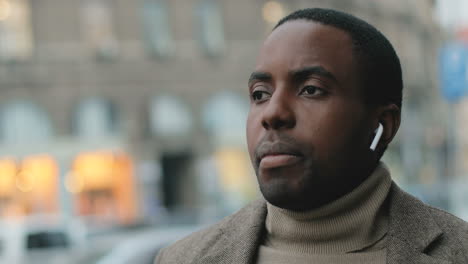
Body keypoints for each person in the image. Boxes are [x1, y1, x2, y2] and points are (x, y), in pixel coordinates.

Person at [155, 8, 468, 264]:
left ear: (382, 125)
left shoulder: (458, 251)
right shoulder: (182, 258)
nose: (272, 114)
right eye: (260, 94)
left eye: (311, 90)